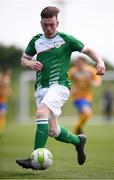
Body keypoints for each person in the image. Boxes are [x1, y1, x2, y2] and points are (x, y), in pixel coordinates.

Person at [16, 6, 106, 170]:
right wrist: (30, 63)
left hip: (60, 87)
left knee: (41, 113)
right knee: (53, 131)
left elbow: (88, 50)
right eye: (45, 25)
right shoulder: (36, 40)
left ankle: (34, 157)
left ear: (58, 22)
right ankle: (78, 141)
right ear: (41, 24)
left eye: (52, 24)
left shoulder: (66, 39)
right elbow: (24, 59)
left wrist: (99, 61)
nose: (49, 28)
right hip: (41, 88)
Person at [69, 55, 102, 134]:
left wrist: (92, 82)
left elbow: (97, 83)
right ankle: (77, 129)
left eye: (79, 63)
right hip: (77, 97)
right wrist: (70, 89)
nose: (78, 65)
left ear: (85, 63)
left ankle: (78, 131)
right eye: (76, 63)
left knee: (84, 116)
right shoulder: (73, 71)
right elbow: (66, 82)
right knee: (87, 113)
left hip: (88, 97)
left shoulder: (91, 71)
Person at [0, 65, 12, 137]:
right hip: (2, 100)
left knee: (2, 115)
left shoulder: (4, 77)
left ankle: (1, 130)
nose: (11, 72)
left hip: (3, 100)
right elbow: (4, 88)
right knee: (2, 115)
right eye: (10, 70)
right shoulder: (5, 78)